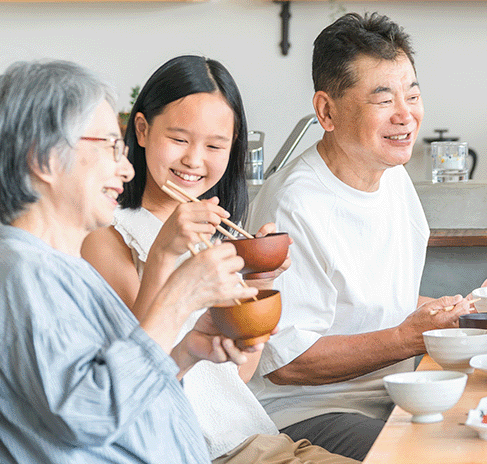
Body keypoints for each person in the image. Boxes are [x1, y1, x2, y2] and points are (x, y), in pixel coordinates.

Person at [80, 55, 355, 463]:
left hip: (253, 436)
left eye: (214, 145)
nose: (194, 159)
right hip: (201, 450)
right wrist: (163, 252)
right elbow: (136, 363)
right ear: (141, 130)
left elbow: (233, 377)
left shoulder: (210, 233)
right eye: (178, 139)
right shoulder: (109, 231)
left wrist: (259, 286)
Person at [246, 12, 487, 460]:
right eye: (384, 100)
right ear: (327, 111)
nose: (406, 115)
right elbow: (285, 362)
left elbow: (375, 305)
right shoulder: (294, 205)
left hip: (394, 395)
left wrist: (463, 312)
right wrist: (409, 338)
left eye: (413, 95)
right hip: (306, 414)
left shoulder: (393, 177)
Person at [0, 59, 257, 462]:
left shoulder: (58, 265)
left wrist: (186, 352)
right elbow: (88, 414)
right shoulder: (21, 272)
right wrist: (178, 297)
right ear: (43, 158)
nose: (124, 167)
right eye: (110, 146)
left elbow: (113, 393)